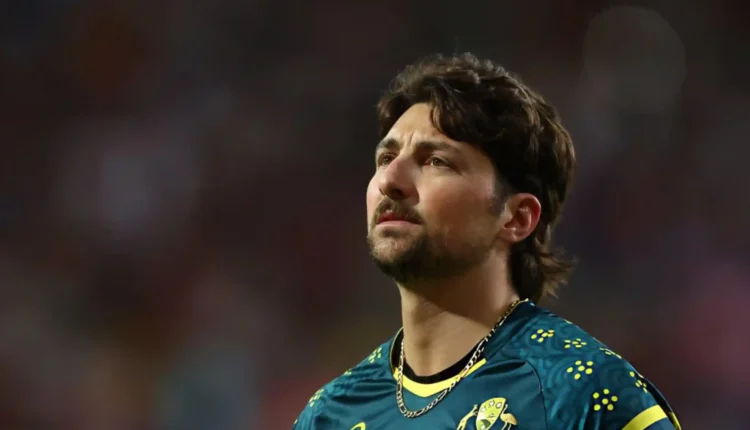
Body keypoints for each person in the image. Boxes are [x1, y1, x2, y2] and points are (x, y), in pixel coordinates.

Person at [292, 53, 681, 430]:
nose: (390, 180)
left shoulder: (584, 395)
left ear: (517, 218)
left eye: (436, 161)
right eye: (385, 158)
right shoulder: (329, 415)